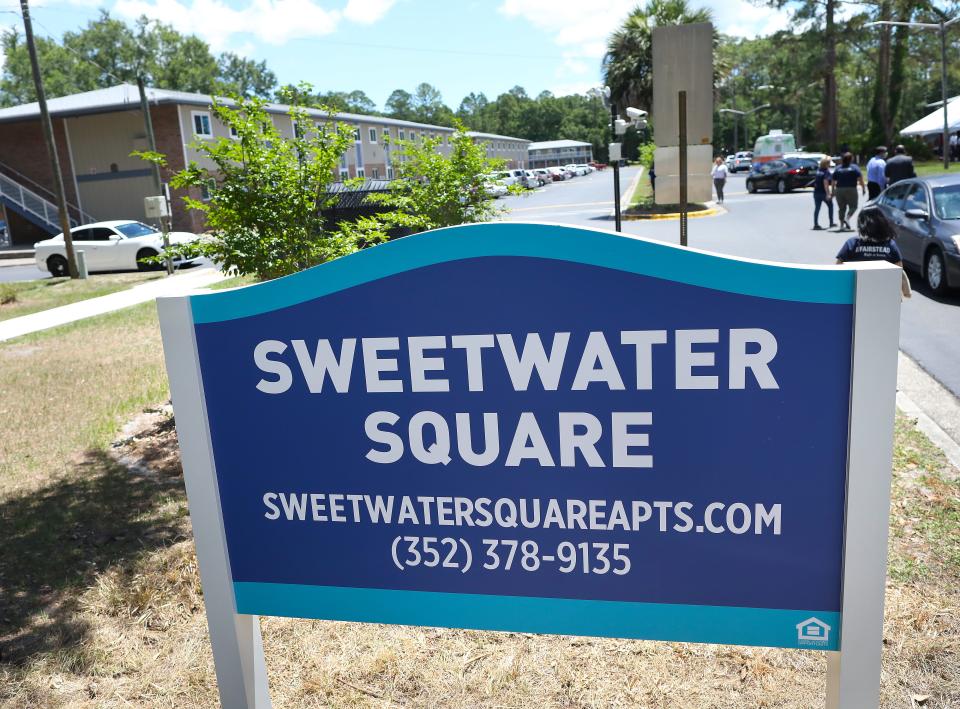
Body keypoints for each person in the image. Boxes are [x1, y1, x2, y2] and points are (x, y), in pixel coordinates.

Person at [832, 152, 865, 231]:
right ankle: (847, 218)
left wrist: (833, 191)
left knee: (841, 208)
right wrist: (863, 188)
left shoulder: (838, 168)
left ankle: (841, 226)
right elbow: (860, 179)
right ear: (851, 159)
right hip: (851, 189)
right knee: (853, 206)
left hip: (839, 190)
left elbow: (833, 180)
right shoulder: (854, 168)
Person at [812, 157, 835, 230]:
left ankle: (815, 224)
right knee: (830, 205)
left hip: (816, 192)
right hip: (823, 193)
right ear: (826, 164)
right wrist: (828, 194)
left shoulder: (818, 171)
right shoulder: (826, 172)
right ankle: (831, 222)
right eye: (828, 163)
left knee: (817, 208)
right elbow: (826, 183)